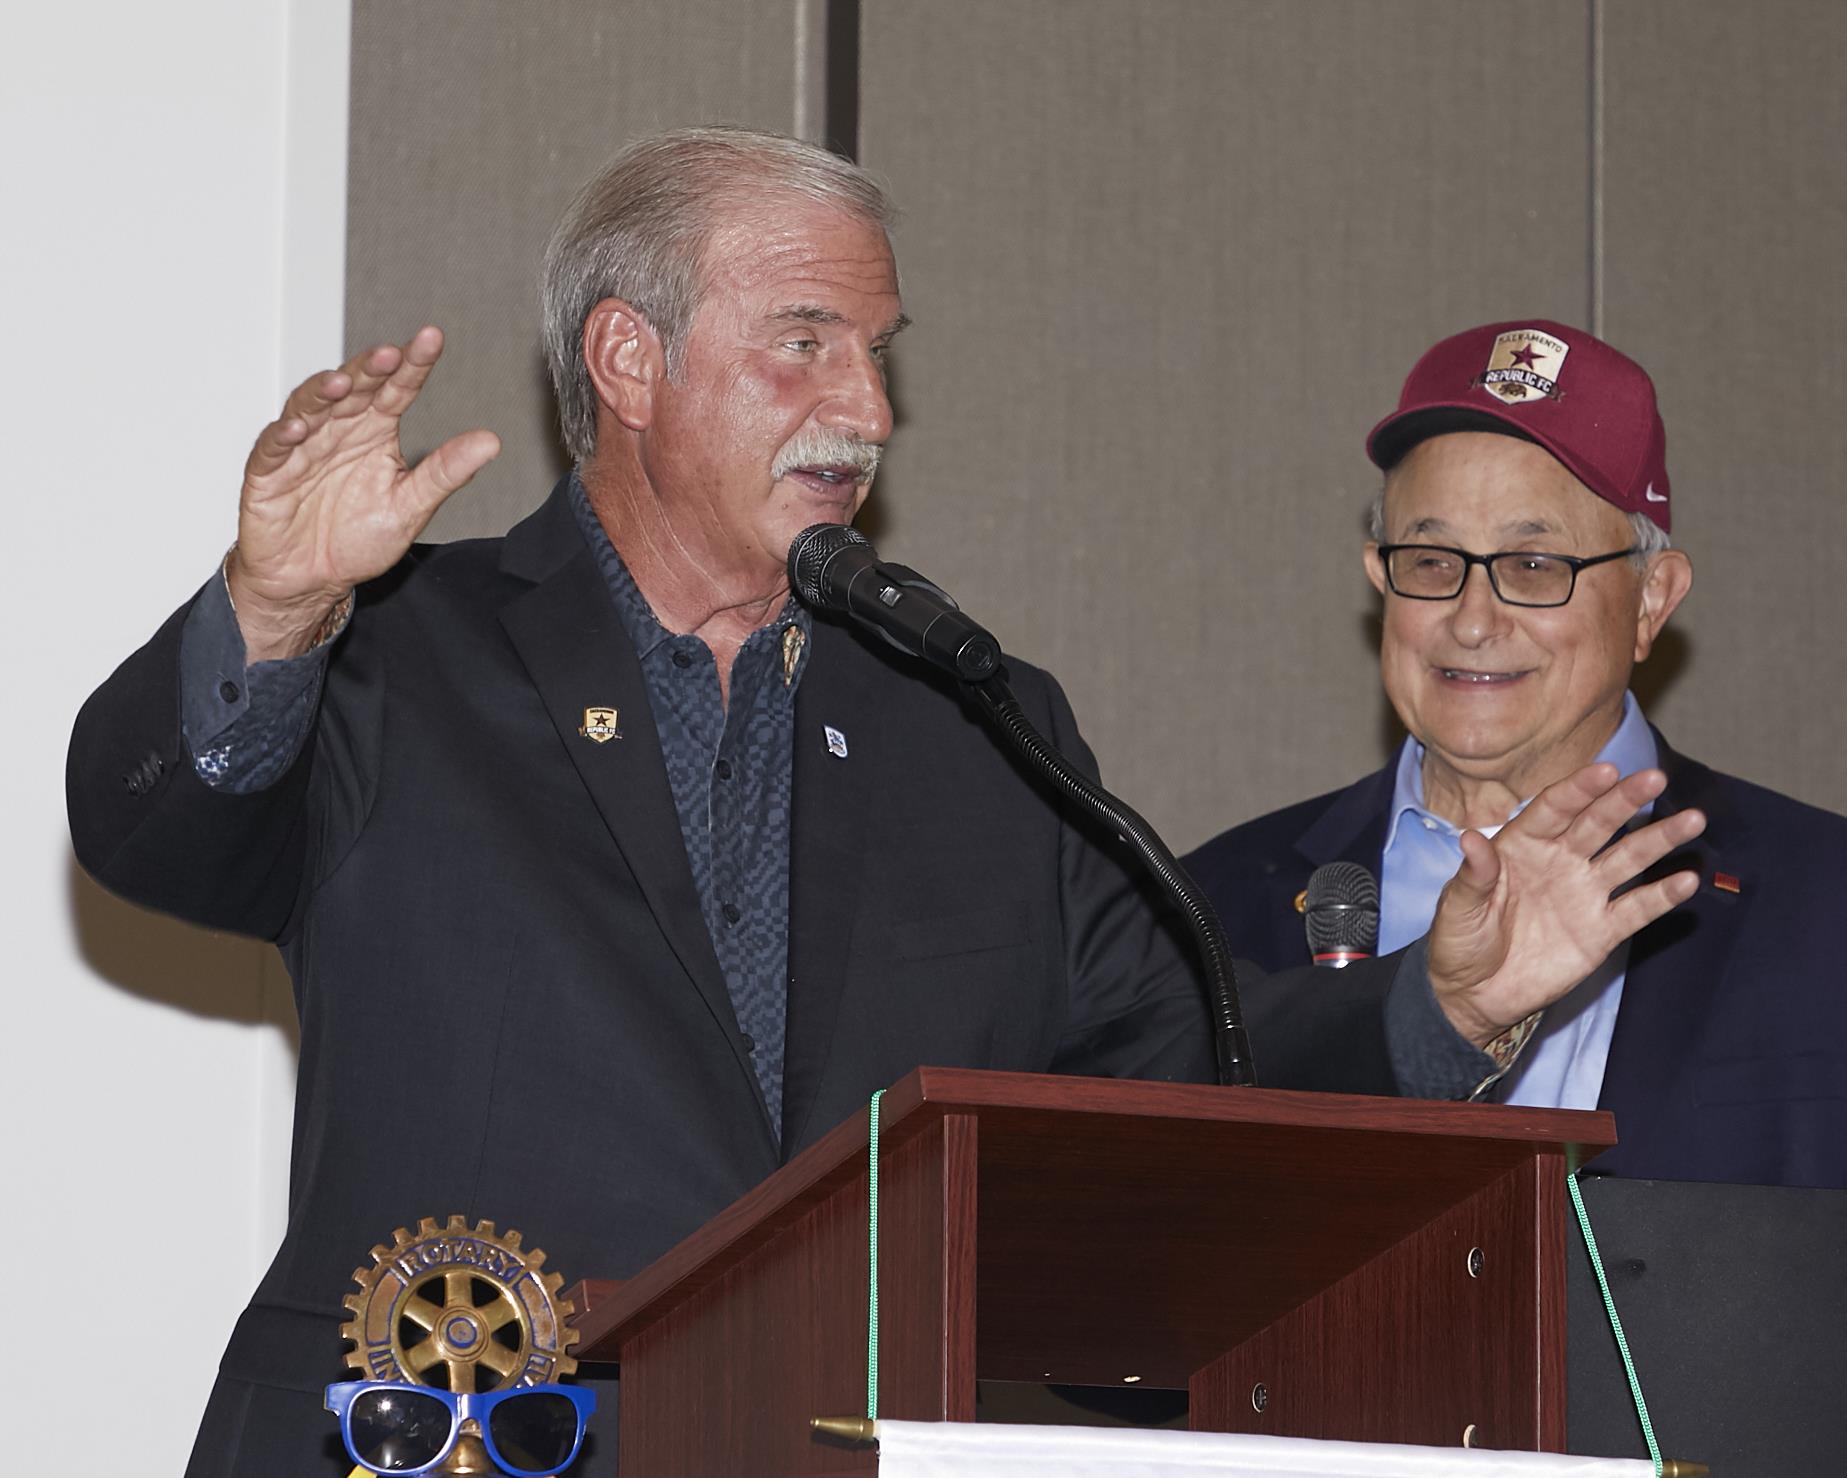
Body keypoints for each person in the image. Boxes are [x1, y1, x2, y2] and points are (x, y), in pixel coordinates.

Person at [68, 137, 1701, 1477]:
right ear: (629, 358)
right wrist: (271, 609)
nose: (867, 408)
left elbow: (1181, 1082)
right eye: (805, 343)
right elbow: (152, 836)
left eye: (876, 351)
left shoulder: (972, 719)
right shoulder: (398, 656)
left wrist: (1444, 1003)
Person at [1185, 318, 1847, 1190]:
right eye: (1431, 561)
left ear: (1651, 600)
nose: (1470, 620)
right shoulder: (1206, 908)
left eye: (1533, 565)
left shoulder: (1824, 902)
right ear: (1379, 576)